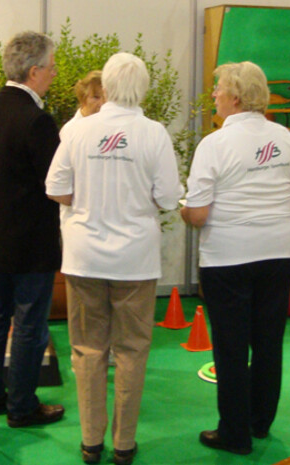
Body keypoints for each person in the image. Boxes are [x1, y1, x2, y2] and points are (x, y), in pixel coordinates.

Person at [46, 53, 183, 465]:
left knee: (87, 349)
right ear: (142, 88)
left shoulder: (78, 131)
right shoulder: (154, 134)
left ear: (105, 86)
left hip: (85, 256)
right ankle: (124, 444)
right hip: (135, 261)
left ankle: (90, 442)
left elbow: (55, 188)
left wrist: (88, 203)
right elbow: (168, 198)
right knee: (131, 350)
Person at [181, 61, 290, 455]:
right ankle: (259, 422)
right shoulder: (287, 139)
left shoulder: (215, 144)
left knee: (231, 347)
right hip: (278, 253)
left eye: (219, 89)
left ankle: (234, 434)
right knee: (269, 341)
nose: (215, 96)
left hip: (227, 257)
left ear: (235, 98)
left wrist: (183, 208)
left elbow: (199, 214)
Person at [0, 31, 64, 428]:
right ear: (35, 71)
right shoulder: (37, 120)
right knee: (28, 323)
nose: (55, 74)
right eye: (52, 67)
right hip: (31, 242)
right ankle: (21, 406)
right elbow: (56, 184)